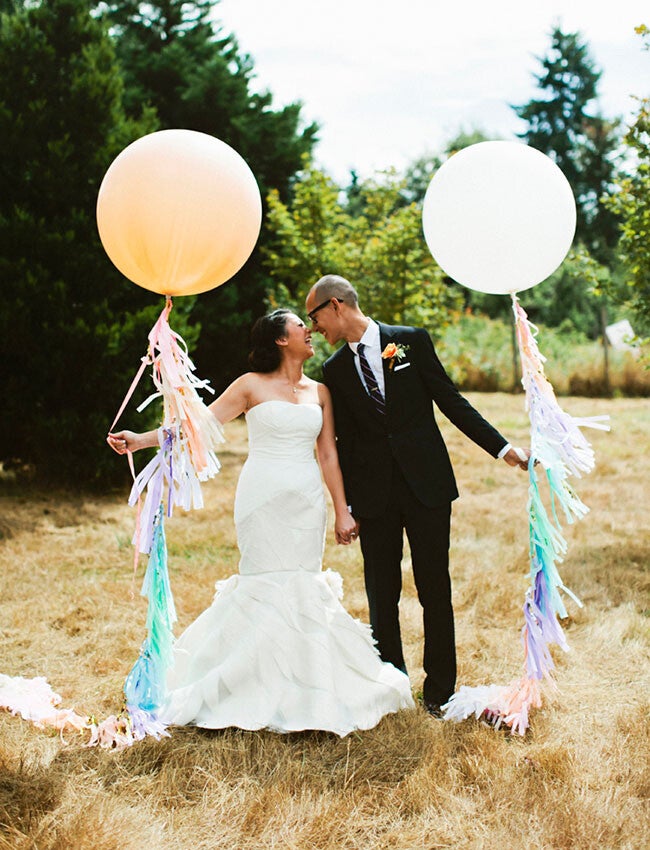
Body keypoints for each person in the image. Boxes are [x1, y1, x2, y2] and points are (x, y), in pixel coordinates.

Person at [108, 308, 414, 736]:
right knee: (263, 581)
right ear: (280, 339)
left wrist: (342, 509)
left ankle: (308, 690)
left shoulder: (320, 391)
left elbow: (328, 454)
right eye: (300, 325)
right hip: (262, 499)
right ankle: (244, 683)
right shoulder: (250, 385)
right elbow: (198, 426)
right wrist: (141, 440)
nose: (309, 330)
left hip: (306, 502)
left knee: (302, 583)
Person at [305, 276, 530, 718]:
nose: (314, 328)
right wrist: (345, 506)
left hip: (427, 486)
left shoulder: (410, 341)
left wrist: (503, 449)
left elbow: (450, 400)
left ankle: (440, 690)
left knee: (434, 588)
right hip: (373, 496)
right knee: (381, 593)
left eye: (314, 317)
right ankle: (392, 687)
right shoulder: (334, 369)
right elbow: (343, 442)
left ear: (335, 305)